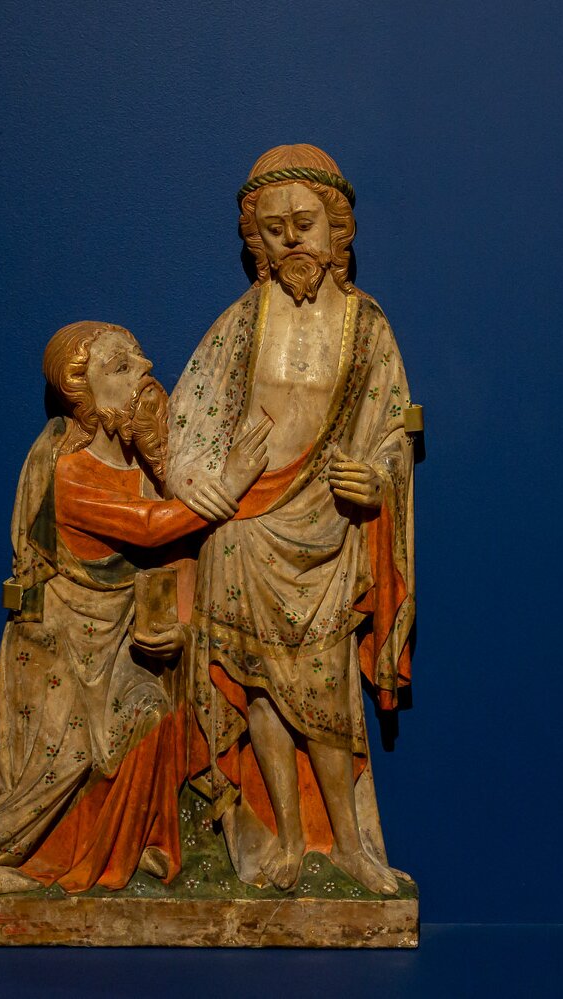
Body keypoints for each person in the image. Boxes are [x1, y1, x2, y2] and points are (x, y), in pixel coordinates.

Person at [168, 144, 415, 895]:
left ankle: (350, 844)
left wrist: (377, 478)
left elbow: (394, 430)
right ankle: (286, 837)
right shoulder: (241, 324)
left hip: (326, 535)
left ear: (339, 230)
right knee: (259, 689)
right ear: (257, 242)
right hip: (244, 534)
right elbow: (183, 426)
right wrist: (203, 483)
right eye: (273, 231)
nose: (291, 242)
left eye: (304, 224)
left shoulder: (367, 328)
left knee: (326, 692)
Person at [0, 321, 266, 894]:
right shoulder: (70, 474)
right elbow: (149, 528)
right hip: (59, 652)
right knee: (61, 759)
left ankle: (126, 843)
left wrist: (179, 630)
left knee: (151, 714)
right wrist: (233, 482)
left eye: (139, 359)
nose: (144, 371)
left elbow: (171, 559)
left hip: (115, 650)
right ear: (85, 399)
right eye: (120, 367)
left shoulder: (145, 470)